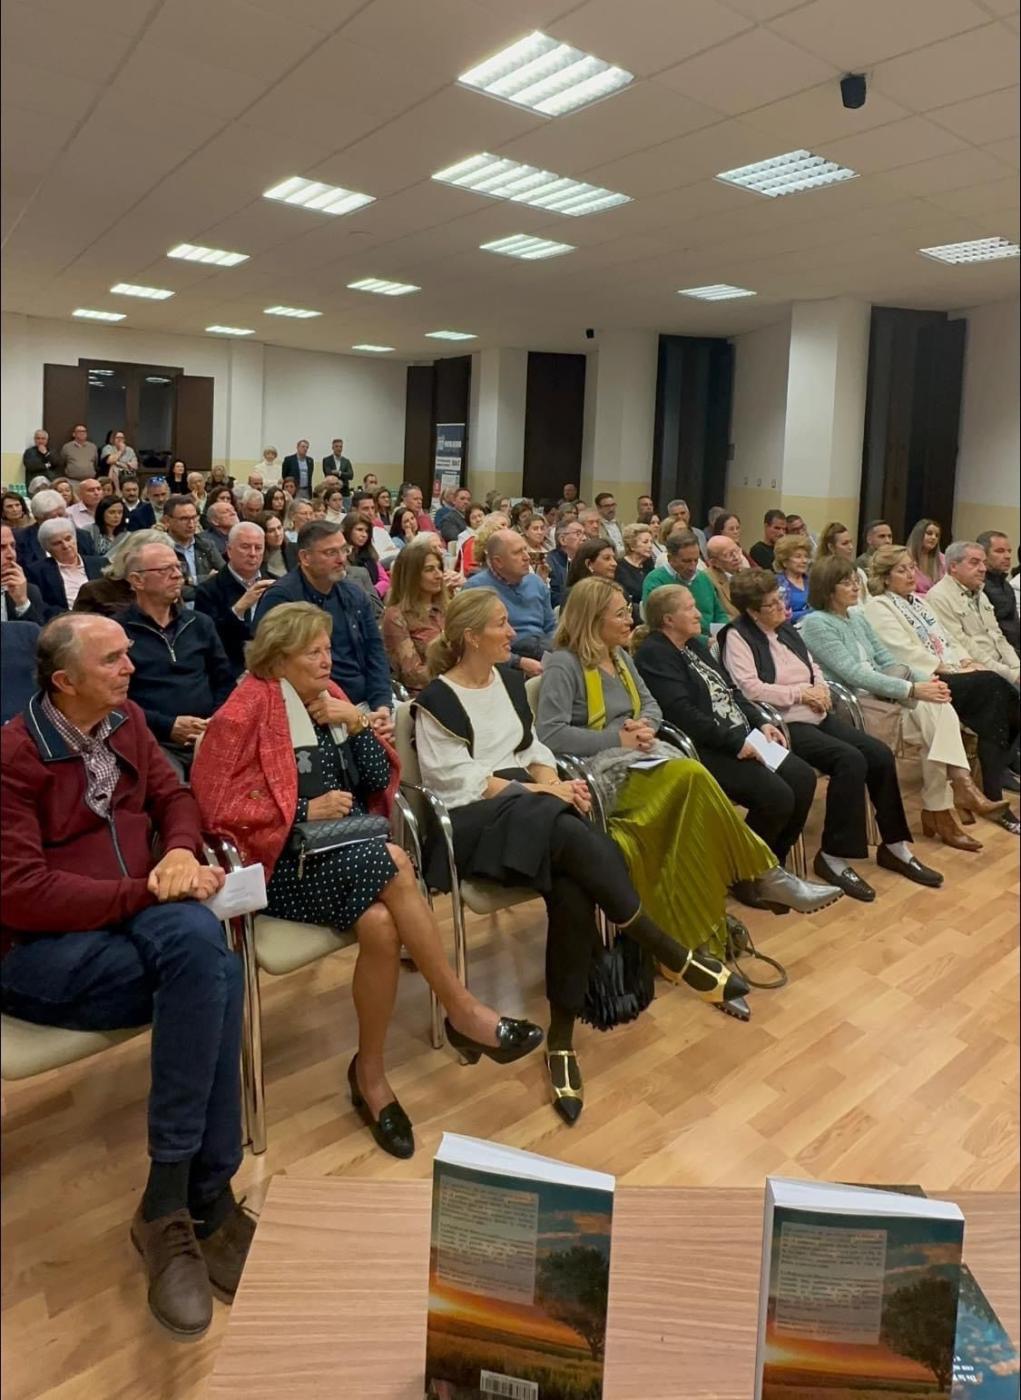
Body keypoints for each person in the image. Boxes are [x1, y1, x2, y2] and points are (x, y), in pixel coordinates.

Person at [192, 603, 546, 1157]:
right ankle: (463, 1010)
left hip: (353, 854)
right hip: (281, 866)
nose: (326, 659)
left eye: (328, 648)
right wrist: (303, 810)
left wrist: (354, 722)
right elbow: (215, 805)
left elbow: (381, 781)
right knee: (397, 862)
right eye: (313, 651)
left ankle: (371, 1076)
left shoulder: (329, 697)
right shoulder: (244, 712)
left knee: (382, 926)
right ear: (278, 657)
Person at [416, 590, 760, 1123]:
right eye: (502, 625)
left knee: (572, 886)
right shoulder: (435, 699)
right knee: (561, 827)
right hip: (473, 824)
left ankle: (561, 1039)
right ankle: (667, 951)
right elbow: (451, 782)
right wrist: (540, 794)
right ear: (470, 638)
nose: (513, 634)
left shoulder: (508, 683)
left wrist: (555, 783)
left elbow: (533, 750)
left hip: (533, 818)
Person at [1, 613, 251, 1337]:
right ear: (64, 682)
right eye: (112, 659)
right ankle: (201, 1195)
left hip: (135, 911)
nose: (131, 666)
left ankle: (175, 1202)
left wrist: (176, 853)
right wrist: (146, 889)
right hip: (41, 951)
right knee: (213, 973)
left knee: (208, 957)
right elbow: (22, 893)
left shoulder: (124, 720)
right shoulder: (15, 756)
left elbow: (176, 797)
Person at [535, 578, 841, 957]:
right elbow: (550, 736)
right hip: (603, 770)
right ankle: (763, 873)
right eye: (619, 613)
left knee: (701, 790)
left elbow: (652, 706)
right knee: (695, 774)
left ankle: (712, 912)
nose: (630, 618)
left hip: (645, 755)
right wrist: (618, 739)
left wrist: (642, 726)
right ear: (592, 619)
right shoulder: (564, 665)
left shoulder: (620, 656)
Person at [722, 569, 942, 896]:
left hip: (816, 712)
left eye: (781, 598)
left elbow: (815, 669)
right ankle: (833, 855)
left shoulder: (786, 629)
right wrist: (800, 693)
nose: (782, 606)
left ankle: (894, 845)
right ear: (752, 612)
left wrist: (821, 689)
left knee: (878, 755)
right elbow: (749, 688)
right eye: (771, 604)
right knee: (849, 760)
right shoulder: (736, 636)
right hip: (784, 722)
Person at [800, 556, 1007, 849]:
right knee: (935, 718)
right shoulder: (816, 624)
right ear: (827, 588)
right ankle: (948, 800)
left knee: (938, 706)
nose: (855, 586)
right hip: (856, 706)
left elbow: (886, 659)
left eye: (855, 579)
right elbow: (854, 674)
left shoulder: (857, 616)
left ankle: (948, 801)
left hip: (886, 696)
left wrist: (928, 682)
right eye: (845, 582)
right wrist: (912, 689)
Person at [633, 584, 816, 866]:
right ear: (668, 619)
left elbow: (730, 691)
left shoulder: (694, 644)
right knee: (776, 796)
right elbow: (681, 713)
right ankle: (745, 868)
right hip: (708, 746)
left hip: (742, 735)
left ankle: (771, 862)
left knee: (802, 777)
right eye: (690, 608)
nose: (698, 614)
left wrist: (760, 722)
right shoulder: (655, 653)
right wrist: (737, 743)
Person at [864, 545, 1019, 816]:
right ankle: (982, 786)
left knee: (1001, 703)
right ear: (885, 576)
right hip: (926, 678)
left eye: (912, 567)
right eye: (902, 570)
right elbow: (902, 651)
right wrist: (948, 667)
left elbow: (949, 639)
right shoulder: (879, 606)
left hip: (952, 671)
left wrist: (964, 660)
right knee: (995, 688)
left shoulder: (920, 602)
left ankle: (987, 783)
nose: (911, 574)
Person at [255, 520, 394, 720]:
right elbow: (268, 665)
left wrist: (382, 705)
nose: (341, 560)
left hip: (365, 700)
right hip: (313, 706)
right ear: (305, 557)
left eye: (344, 550)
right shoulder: (282, 598)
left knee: (405, 725)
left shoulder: (354, 593)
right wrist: (353, 715)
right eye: (330, 553)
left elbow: (375, 651)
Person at [121, 538, 235, 773]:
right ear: (137, 580)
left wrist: (213, 721)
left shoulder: (199, 623)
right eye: (165, 570)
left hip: (209, 731)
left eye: (178, 567)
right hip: (153, 739)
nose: (177, 576)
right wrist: (167, 725)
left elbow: (224, 681)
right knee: (173, 786)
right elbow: (117, 701)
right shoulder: (118, 632)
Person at [927, 540, 1020, 686]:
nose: (983, 568)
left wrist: (1017, 668)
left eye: (983, 562)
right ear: (953, 566)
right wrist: (1011, 675)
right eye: (974, 562)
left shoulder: (981, 594)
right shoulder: (939, 597)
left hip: (1001, 667)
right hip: (977, 672)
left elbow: (998, 636)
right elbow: (963, 644)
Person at [194, 522, 275, 676]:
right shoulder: (208, 590)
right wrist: (238, 609)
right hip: (229, 671)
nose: (252, 553)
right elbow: (208, 641)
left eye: (258, 548)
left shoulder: (274, 585)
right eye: (245, 547)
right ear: (229, 550)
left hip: (272, 668)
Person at [463, 529, 555, 662]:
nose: (527, 557)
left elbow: (551, 626)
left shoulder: (535, 582)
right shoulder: (476, 589)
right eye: (518, 553)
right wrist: (517, 662)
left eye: (525, 549)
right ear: (498, 561)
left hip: (543, 651)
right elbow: (476, 643)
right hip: (506, 659)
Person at [381, 536, 449, 697]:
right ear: (411, 575)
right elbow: (413, 674)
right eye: (429, 569)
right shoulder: (396, 616)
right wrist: (458, 675)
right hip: (428, 694)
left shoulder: (447, 607)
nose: (439, 575)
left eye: (439, 568)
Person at [643, 530, 728, 637]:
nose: (692, 567)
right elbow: (663, 627)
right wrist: (706, 641)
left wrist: (724, 634)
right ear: (670, 559)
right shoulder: (655, 581)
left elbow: (720, 613)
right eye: (686, 561)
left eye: (696, 560)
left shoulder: (703, 578)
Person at [74, 528, 166, 617]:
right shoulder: (94, 591)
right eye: (162, 564)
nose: (174, 573)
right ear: (130, 559)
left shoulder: (169, 589)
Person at [25, 519, 105, 614]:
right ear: (47, 548)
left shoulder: (100, 563)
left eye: (68, 539)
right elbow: (42, 606)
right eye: (57, 543)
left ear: (75, 539)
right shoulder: (37, 571)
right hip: (66, 620)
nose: (66, 546)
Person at [15, 488, 96, 571]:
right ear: (38, 519)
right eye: (52, 518)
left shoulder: (83, 536)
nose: (58, 521)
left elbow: (94, 567)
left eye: (61, 515)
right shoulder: (21, 539)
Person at [162, 495, 223, 601]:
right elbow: (171, 590)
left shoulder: (206, 545)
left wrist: (189, 580)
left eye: (194, 518)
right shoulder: (161, 550)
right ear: (167, 521)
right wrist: (204, 580)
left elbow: (225, 577)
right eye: (184, 519)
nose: (191, 524)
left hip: (208, 608)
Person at [977, 531, 1020, 657]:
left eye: (1009, 551)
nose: (1007, 556)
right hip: (996, 654)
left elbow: (1015, 625)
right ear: (983, 555)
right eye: (1000, 551)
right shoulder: (978, 586)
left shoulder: (1007, 586)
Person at [1, 524, 46, 623]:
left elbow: (37, 635)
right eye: (2, 548)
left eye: (12, 546)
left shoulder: (28, 591)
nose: (11, 555)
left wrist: (22, 603)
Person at [614, 523, 656, 623]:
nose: (650, 546)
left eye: (651, 542)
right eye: (645, 542)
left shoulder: (649, 563)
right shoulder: (620, 567)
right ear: (632, 546)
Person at [342, 512, 389, 597]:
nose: (364, 535)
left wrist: (374, 592)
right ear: (348, 530)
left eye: (367, 531)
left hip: (375, 597)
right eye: (359, 530)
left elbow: (384, 580)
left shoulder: (370, 553)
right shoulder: (341, 555)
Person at [773, 533, 813, 623]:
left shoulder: (812, 581)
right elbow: (780, 616)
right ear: (784, 561)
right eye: (798, 556)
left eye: (806, 556)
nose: (804, 561)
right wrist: (811, 614)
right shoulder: (777, 583)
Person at [548, 519, 585, 610]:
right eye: (578, 534)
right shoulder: (550, 562)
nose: (584, 538)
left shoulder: (587, 560)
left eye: (584, 534)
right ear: (563, 540)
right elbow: (553, 597)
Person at [704, 534, 744, 618]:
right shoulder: (707, 579)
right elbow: (717, 616)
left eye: (736, 551)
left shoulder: (746, 573)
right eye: (728, 555)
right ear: (714, 562)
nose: (736, 557)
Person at [905, 518, 946, 597]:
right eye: (929, 533)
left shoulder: (943, 559)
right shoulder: (905, 557)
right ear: (918, 535)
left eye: (937, 535)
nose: (933, 537)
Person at [256, 511, 297, 579]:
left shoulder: (295, 549)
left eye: (279, 528)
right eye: (271, 531)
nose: (277, 534)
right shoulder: (257, 559)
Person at [521, 515, 551, 582]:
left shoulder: (549, 549)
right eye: (535, 529)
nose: (540, 532)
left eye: (542, 528)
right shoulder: (522, 552)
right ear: (526, 531)